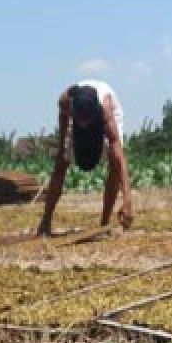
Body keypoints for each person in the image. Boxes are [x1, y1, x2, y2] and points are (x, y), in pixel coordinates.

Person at [38, 80, 133, 236]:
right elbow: (63, 124)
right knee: (61, 163)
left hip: (103, 116)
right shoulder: (65, 101)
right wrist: (62, 148)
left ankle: (105, 222)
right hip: (77, 115)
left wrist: (127, 200)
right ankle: (45, 221)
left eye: (85, 122)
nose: (83, 126)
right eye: (80, 121)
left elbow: (118, 154)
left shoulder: (106, 109)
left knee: (114, 163)